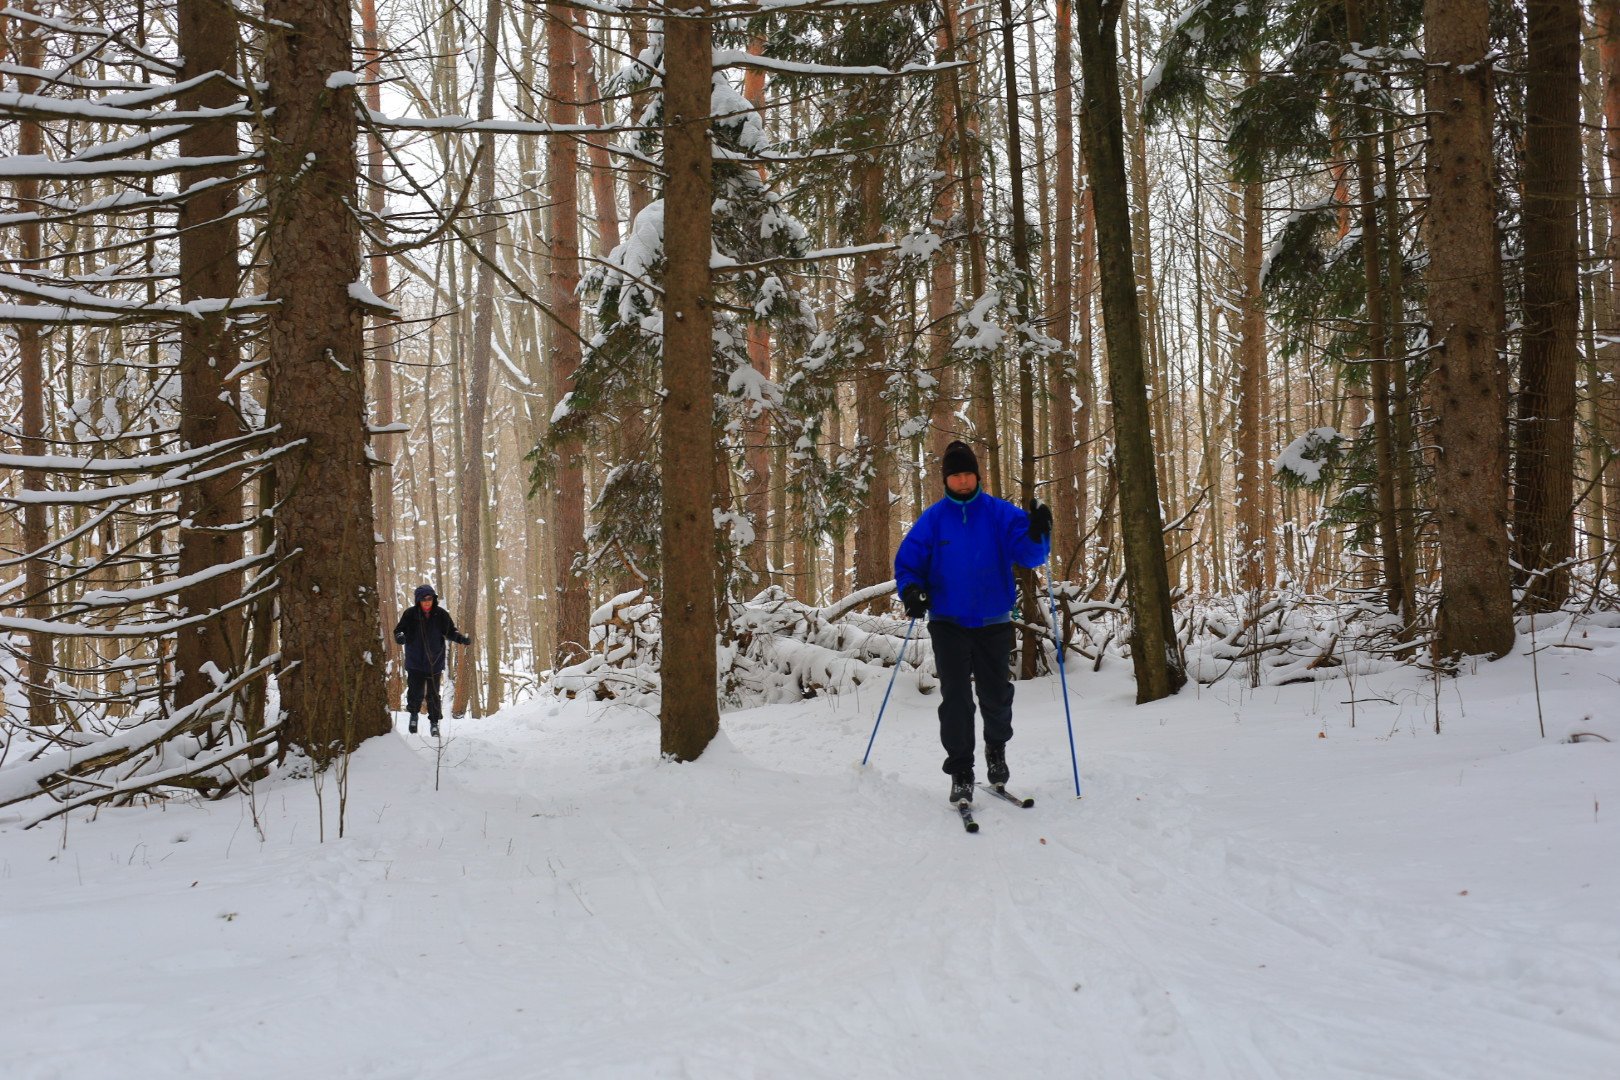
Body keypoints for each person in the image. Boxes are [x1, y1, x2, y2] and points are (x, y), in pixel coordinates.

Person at [893, 441, 1052, 806]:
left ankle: (996, 750)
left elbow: (1030, 556)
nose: (962, 482)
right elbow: (908, 564)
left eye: (967, 474)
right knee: (956, 701)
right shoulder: (933, 519)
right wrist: (912, 590)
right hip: (947, 620)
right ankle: (961, 772)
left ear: (977, 476)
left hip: (993, 619)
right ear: (945, 480)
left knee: (996, 697)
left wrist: (1039, 531)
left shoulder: (999, 514)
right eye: (955, 476)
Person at [393, 584, 471, 737]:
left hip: (434, 662)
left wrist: (461, 639)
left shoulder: (440, 614)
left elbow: (450, 631)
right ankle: (413, 716)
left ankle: (434, 723)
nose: (427, 602)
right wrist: (400, 636)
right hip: (415, 662)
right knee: (415, 692)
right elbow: (399, 630)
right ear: (418, 600)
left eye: (430, 598)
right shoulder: (410, 614)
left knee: (434, 695)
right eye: (424, 599)